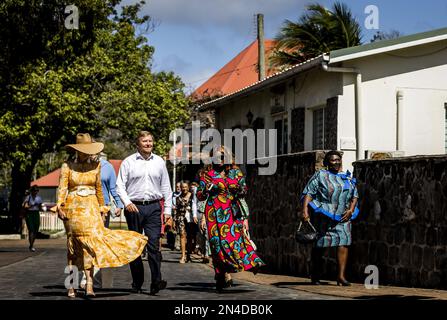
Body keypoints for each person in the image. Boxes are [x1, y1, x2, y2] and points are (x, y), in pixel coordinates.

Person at [56, 133, 147, 298]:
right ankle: (72, 284)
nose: (86, 154)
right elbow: (62, 189)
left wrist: (102, 209)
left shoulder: (97, 166)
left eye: (88, 150)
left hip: (91, 208)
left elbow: (99, 190)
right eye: (83, 150)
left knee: (90, 246)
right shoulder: (67, 166)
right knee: (73, 248)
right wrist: (60, 206)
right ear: (77, 150)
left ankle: (89, 285)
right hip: (73, 209)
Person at [196, 145, 265, 292]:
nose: (219, 159)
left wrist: (238, 190)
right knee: (216, 245)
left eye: (222, 156)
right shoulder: (206, 174)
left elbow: (243, 191)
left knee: (233, 241)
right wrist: (206, 189)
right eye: (216, 156)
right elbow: (200, 196)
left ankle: (247, 264)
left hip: (232, 212)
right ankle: (221, 274)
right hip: (213, 213)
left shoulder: (235, 172)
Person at [116, 131, 172, 295]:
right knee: (135, 247)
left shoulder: (160, 162)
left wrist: (167, 210)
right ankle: (137, 281)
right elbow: (120, 185)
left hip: (154, 208)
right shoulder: (128, 162)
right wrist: (127, 203)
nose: (148, 144)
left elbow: (166, 187)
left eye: (150, 141)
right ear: (138, 144)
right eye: (145, 141)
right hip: (134, 208)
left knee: (153, 245)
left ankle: (156, 281)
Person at [301, 150, 359, 286]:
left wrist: (351, 210)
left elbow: (355, 195)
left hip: (343, 215)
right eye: (333, 160)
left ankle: (341, 277)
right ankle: (315, 275)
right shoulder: (320, 176)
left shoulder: (346, 177)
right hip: (324, 215)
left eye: (338, 160)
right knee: (320, 246)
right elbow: (309, 193)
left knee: (343, 242)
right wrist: (304, 210)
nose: (336, 162)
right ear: (326, 162)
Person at [80, 152, 124, 289]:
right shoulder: (81, 166)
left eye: (94, 151)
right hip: (84, 209)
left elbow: (113, 188)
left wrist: (119, 204)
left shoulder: (107, 167)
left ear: (99, 153)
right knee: (85, 243)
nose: (91, 154)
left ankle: (96, 279)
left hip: (101, 210)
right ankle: (85, 278)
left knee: (98, 243)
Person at [174, 181, 198, 263]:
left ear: (188, 187)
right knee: (182, 235)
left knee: (190, 237)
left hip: (190, 219)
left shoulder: (192, 196)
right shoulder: (178, 197)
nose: (184, 188)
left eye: (185, 187)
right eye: (182, 187)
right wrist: (174, 220)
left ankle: (188, 255)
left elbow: (196, 206)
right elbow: (177, 210)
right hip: (181, 218)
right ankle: (183, 256)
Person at [192, 180, 210, 264]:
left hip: (208, 212)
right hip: (199, 212)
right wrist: (194, 214)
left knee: (207, 234)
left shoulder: (211, 187)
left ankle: (206, 254)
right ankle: (203, 252)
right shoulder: (197, 189)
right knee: (201, 233)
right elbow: (194, 202)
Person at [22, 185, 43, 252]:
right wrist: (32, 205)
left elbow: (40, 207)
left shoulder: (39, 198)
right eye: (34, 191)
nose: (35, 192)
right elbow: (25, 206)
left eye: (37, 191)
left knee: (36, 229)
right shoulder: (28, 198)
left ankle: (31, 245)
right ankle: (31, 246)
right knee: (31, 229)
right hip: (29, 213)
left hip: (36, 213)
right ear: (32, 191)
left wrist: (41, 207)